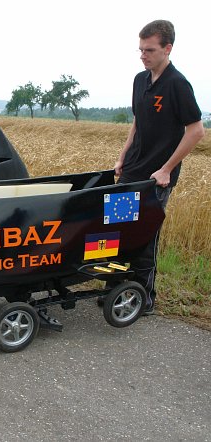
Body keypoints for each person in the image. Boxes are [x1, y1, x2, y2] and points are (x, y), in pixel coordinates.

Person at [114, 20, 205, 315]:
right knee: (118, 232)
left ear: (168, 49)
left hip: (156, 179)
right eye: (141, 49)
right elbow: (137, 122)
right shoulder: (140, 80)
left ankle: (143, 298)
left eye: (149, 50)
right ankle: (117, 292)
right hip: (131, 171)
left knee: (144, 237)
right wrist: (122, 157)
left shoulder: (177, 84)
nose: (143, 55)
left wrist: (166, 169)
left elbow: (196, 131)